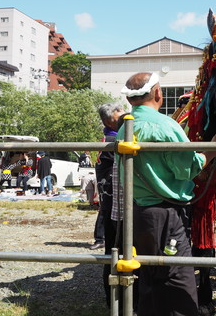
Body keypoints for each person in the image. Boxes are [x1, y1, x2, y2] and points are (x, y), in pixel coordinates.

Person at [117, 72, 216, 316]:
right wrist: (215, 151)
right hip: (165, 215)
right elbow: (188, 168)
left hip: (138, 212)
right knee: (177, 277)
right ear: (157, 93)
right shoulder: (164, 125)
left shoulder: (126, 124)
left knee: (149, 275)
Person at [95, 102, 125, 306]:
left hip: (111, 202)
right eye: (120, 117)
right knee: (116, 250)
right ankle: (116, 300)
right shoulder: (114, 139)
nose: (125, 119)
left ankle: (114, 300)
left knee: (113, 251)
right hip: (117, 203)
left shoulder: (109, 137)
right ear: (109, 120)